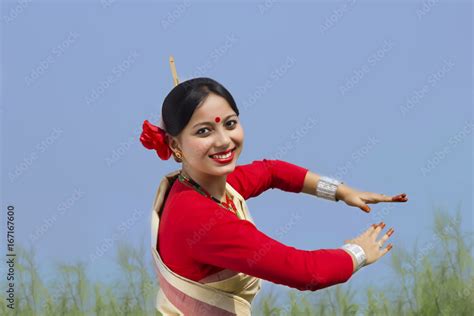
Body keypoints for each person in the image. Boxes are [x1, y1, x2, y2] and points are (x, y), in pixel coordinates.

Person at [140, 77, 408, 315]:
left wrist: (341, 191)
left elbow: (272, 171)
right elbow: (307, 272)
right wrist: (359, 252)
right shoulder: (200, 219)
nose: (223, 140)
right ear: (175, 145)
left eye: (230, 124)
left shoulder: (203, 185)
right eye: (204, 131)